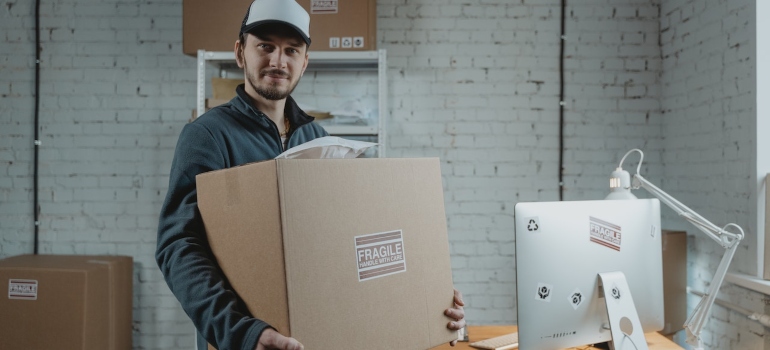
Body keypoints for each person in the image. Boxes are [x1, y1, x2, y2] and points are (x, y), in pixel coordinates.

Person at [156, 0, 465, 349]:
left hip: (317, 334)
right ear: (240, 52)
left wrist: (427, 295)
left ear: (305, 62)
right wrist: (243, 333)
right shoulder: (207, 136)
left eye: (291, 50)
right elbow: (178, 246)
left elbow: (352, 243)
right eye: (265, 46)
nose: (277, 61)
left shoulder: (319, 141)